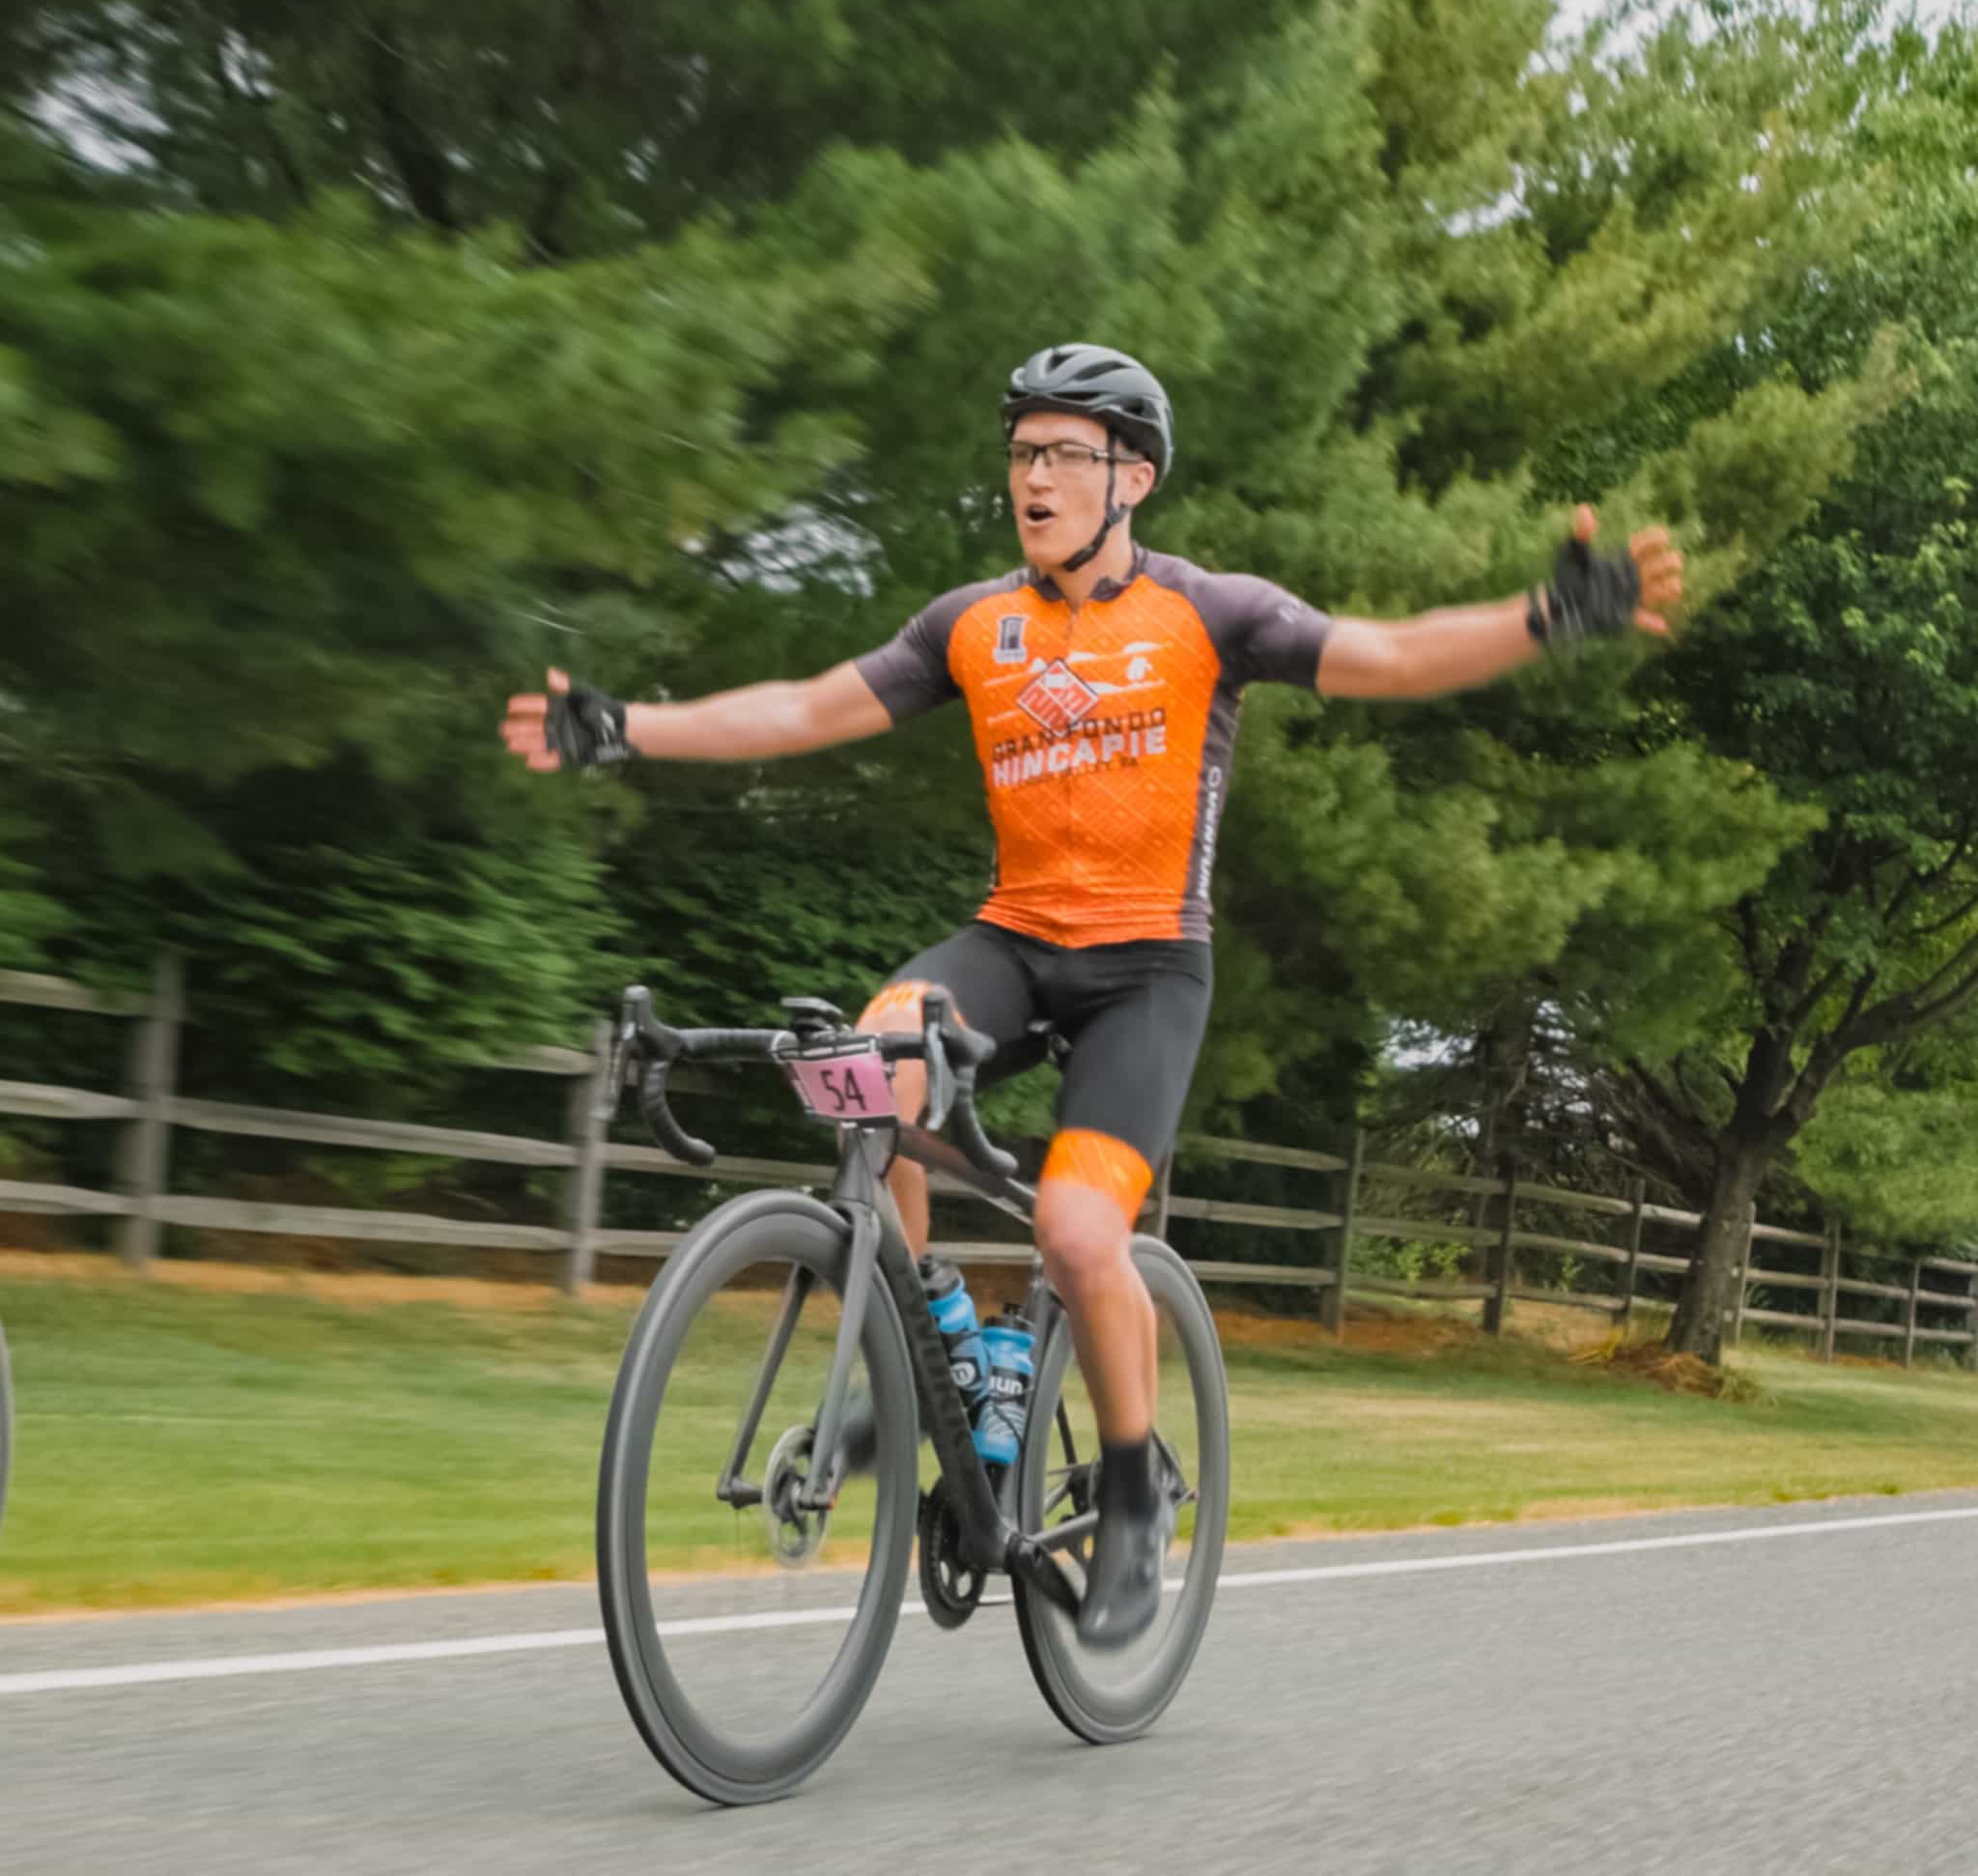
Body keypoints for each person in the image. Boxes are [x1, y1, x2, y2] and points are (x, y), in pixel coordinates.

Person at [501, 342, 1683, 1646]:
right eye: (1021, 453)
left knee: (1075, 1230)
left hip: (1148, 971)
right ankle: (930, 1340)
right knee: (863, 1067)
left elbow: (1389, 656)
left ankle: (1130, 1495)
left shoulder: (1207, 612)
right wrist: (625, 727)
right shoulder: (971, 624)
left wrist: (1543, 617)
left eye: (1063, 452)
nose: (1033, 476)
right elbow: (799, 707)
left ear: (1134, 475)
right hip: (1014, 939)